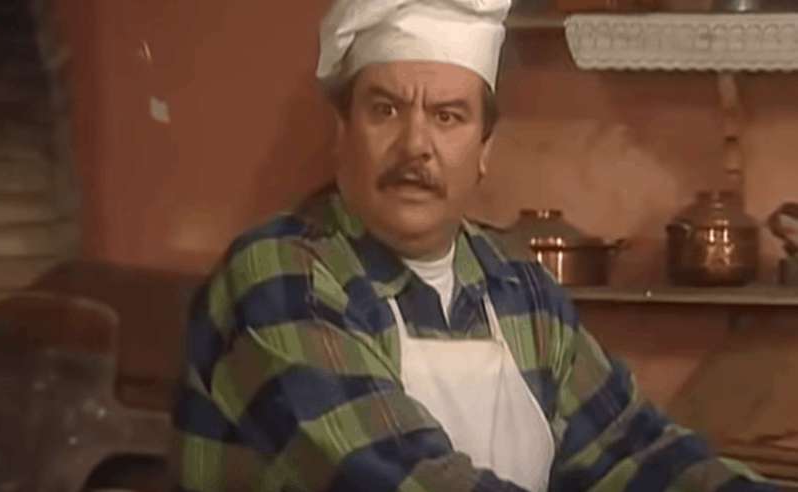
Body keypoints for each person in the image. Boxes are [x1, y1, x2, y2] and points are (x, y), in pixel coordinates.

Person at [174, 0, 778, 490]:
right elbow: (402, 479)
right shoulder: (282, 277)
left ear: (485, 150)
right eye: (386, 110)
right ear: (342, 133)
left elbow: (632, 450)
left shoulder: (519, 288)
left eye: (448, 117)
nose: (416, 146)